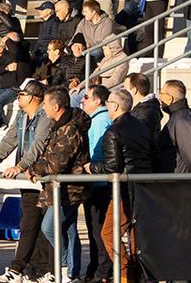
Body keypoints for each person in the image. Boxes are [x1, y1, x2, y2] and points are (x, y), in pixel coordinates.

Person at [0, 79, 52, 283]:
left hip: (42, 176)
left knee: (43, 226)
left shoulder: (46, 115)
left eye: (22, 94)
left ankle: (39, 270)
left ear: (34, 97)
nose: (18, 97)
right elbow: (10, 139)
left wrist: (21, 166)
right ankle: (24, 269)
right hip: (28, 180)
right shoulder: (22, 115)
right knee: (29, 223)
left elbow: (39, 145)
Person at [87, 88, 155, 282]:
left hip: (124, 191)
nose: (106, 105)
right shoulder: (142, 126)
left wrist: (91, 167)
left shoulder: (113, 132)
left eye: (108, 102)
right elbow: (153, 155)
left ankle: (125, 274)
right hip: (144, 190)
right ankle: (135, 274)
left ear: (115, 106)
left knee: (108, 234)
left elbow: (112, 167)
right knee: (135, 238)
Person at [26, 87, 91, 283]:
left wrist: (35, 169)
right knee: (68, 230)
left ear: (56, 106)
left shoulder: (69, 129)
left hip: (70, 190)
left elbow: (57, 163)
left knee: (49, 227)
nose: (43, 107)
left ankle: (63, 269)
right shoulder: (59, 125)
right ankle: (71, 273)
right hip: (59, 189)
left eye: (45, 104)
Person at [80, 85, 113, 281]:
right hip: (94, 182)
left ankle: (103, 271)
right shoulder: (94, 120)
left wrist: (90, 167)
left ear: (97, 101)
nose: (82, 100)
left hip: (99, 182)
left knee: (98, 230)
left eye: (86, 97)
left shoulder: (100, 120)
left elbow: (98, 151)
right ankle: (96, 267)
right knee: (94, 229)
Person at [157, 79, 191, 172]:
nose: (159, 97)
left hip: (180, 182)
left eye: (161, 93)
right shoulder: (178, 116)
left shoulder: (181, 120)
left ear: (170, 98)